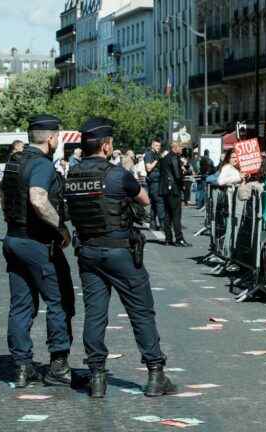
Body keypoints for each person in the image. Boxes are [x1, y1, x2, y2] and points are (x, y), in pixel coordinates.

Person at [65, 117, 177, 398]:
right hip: (120, 251)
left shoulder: (73, 175)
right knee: (140, 310)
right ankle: (155, 374)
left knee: (95, 314)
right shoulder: (116, 174)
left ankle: (97, 377)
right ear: (105, 145)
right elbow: (144, 200)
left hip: (88, 252)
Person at [0, 114, 74, 387]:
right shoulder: (41, 164)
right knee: (58, 302)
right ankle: (58, 365)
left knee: (21, 305)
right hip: (37, 243)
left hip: (13, 239)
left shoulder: (14, 162)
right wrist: (61, 229)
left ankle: (21, 367)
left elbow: (4, 197)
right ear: (52, 138)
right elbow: (39, 200)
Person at [160, 141, 190, 247]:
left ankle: (168, 238)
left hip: (165, 190)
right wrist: (184, 172)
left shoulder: (164, 158)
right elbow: (177, 175)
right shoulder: (173, 158)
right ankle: (179, 239)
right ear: (175, 148)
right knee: (176, 215)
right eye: (180, 147)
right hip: (173, 190)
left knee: (167, 215)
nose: (182, 149)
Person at [144, 140, 166, 230]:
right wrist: (158, 160)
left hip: (157, 181)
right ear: (152, 146)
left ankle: (152, 223)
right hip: (154, 182)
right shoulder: (149, 154)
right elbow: (149, 168)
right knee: (160, 202)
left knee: (154, 203)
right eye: (156, 145)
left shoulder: (156, 154)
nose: (158, 147)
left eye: (159, 146)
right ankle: (162, 224)